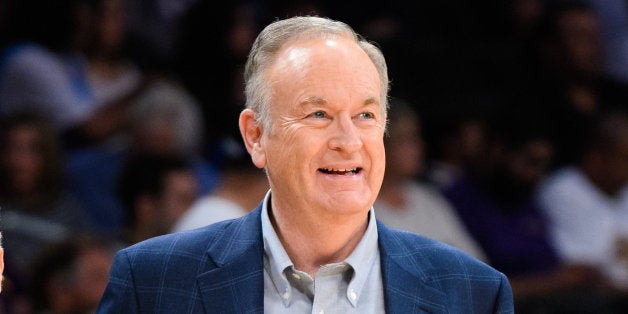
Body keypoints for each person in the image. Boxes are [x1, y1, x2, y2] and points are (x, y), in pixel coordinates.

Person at [97, 16, 513, 313]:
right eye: (318, 115)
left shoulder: (474, 294)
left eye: (365, 116)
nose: (349, 142)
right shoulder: (151, 281)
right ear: (256, 137)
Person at [374, 98, 487, 261]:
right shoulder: (362, 208)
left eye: (416, 137)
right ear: (381, 144)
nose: (419, 147)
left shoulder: (428, 199)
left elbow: (474, 260)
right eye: (406, 139)